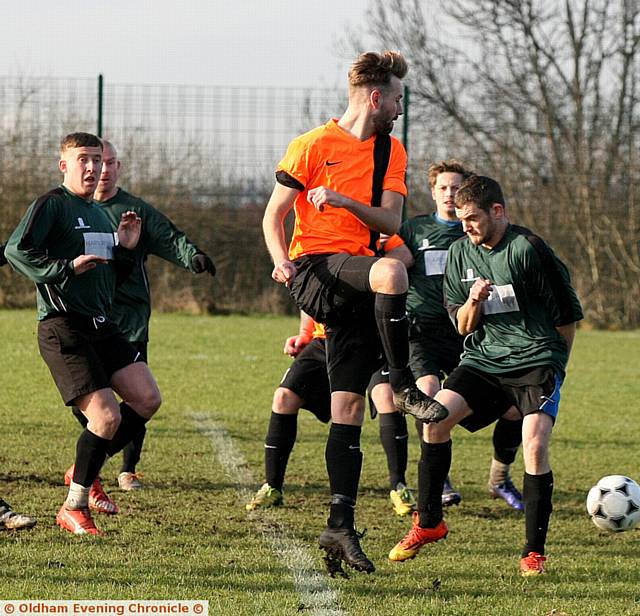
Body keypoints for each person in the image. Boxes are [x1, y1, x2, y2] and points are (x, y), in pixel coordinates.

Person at [262, 50, 448, 576]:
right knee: (392, 274)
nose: (399, 107)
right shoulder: (311, 145)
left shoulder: (392, 149)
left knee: (346, 407)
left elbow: (390, 218)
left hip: (357, 280)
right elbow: (273, 216)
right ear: (375, 97)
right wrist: (280, 263)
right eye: (396, 98)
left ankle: (338, 526)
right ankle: (406, 382)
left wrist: (342, 200)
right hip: (315, 269)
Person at [388, 175, 583, 576]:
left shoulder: (528, 249)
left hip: (536, 360)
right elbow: (462, 326)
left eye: (473, 218)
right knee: (435, 420)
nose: (466, 227)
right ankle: (428, 523)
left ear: (498, 211)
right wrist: (474, 300)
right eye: (461, 219)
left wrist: (554, 366)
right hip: (484, 360)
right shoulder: (461, 252)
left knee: (534, 445)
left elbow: (567, 317)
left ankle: (533, 553)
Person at [5, 132, 162, 536]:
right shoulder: (51, 205)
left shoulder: (99, 215)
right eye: (84, 160)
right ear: (65, 165)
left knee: (146, 398)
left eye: (98, 160)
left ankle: (84, 467)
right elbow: (16, 250)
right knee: (106, 416)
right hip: (63, 327)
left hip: (100, 325)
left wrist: (125, 247)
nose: (93, 168)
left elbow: (110, 275)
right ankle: (73, 506)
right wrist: (63, 268)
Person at [371, 160, 524, 513]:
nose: (450, 194)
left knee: (514, 407)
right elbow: (391, 261)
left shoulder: (477, 232)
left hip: (469, 332)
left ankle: (500, 479)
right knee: (429, 393)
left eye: (457, 188)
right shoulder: (414, 229)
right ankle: (438, 476)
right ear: (433, 192)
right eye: (443, 188)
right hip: (422, 332)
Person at [69, 139, 215, 503]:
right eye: (95, 162)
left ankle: (122, 468)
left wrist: (191, 255)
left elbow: (168, 236)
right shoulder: (70, 209)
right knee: (90, 403)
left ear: (118, 167)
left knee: (139, 398)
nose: (102, 170)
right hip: (85, 318)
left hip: (128, 319)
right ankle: (93, 465)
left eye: (110, 163)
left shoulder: (133, 210)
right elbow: (37, 243)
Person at [246, 312, 330, 511]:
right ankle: (272, 487)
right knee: (284, 397)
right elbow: (310, 294)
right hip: (323, 341)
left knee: (370, 403)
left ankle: (399, 487)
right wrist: (305, 333)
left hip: (360, 340)